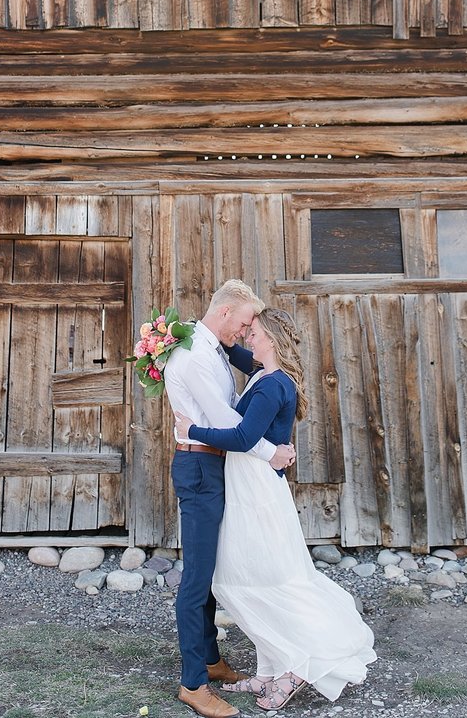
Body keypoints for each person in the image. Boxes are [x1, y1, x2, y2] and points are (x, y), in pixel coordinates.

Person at [175, 307, 376, 712]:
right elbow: (229, 347)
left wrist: (190, 430)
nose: (248, 336)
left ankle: (305, 661)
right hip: (251, 481)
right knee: (259, 572)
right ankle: (268, 670)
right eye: (247, 329)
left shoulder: (271, 385)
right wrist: (183, 333)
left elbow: (245, 435)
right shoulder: (264, 373)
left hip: (256, 489)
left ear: (273, 341)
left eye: (256, 332)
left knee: (266, 573)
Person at [164, 280, 296, 718]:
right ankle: (193, 683)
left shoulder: (212, 345)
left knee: (211, 572)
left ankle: (210, 659)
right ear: (224, 314)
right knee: (198, 577)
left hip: (214, 466)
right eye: (243, 324)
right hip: (200, 466)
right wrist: (273, 453)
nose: (244, 333)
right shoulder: (197, 355)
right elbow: (230, 426)